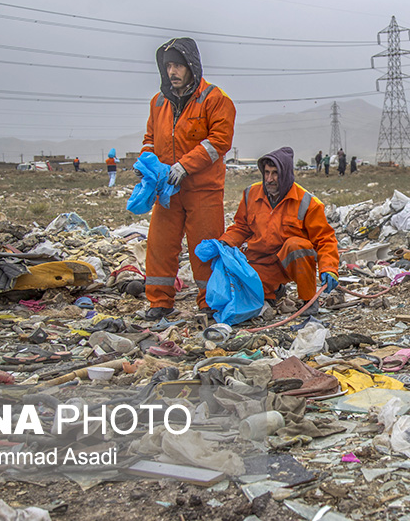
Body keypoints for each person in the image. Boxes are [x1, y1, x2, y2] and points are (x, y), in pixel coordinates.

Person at [139, 37, 236, 320]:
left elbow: (219, 141)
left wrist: (185, 166)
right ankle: (159, 303)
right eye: (168, 65)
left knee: (204, 249)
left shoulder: (215, 99)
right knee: (159, 246)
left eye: (178, 65)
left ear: (192, 66)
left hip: (202, 190)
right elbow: (150, 139)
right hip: (167, 189)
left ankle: (208, 303)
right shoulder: (158, 102)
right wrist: (145, 164)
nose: (173, 72)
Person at [220, 147, 339, 312]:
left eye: (275, 173)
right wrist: (224, 243)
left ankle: (308, 300)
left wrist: (329, 268)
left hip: (287, 263)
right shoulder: (251, 193)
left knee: (297, 246)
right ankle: (274, 291)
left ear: (286, 174)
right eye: (266, 173)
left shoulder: (306, 202)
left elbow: (325, 239)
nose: (269, 179)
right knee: (242, 291)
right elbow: (241, 226)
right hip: (260, 260)